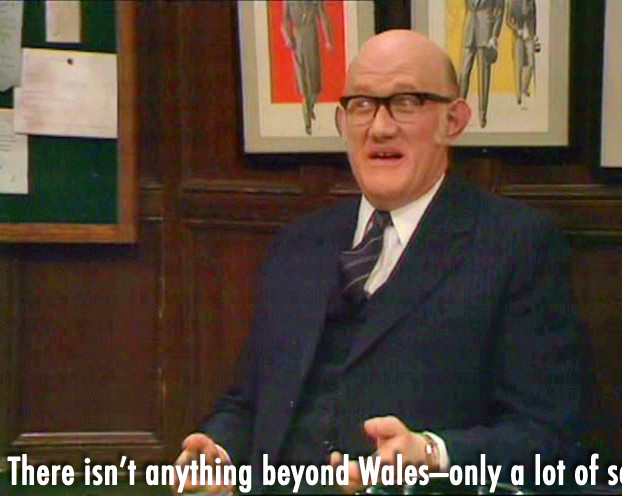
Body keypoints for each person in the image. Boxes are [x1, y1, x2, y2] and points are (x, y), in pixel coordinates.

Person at [174, 29, 584, 494]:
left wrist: (433, 454)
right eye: (362, 105)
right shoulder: (298, 243)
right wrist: (218, 451)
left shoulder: (515, 244)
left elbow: (548, 435)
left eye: (406, 102)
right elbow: (248, 402)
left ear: (453, 121)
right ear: (342, 121)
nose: (380, 127)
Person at [281, 0, 333, 135]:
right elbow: (285, 20)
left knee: (314, 82)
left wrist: (327, 40)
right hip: (297, 41)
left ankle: (310, 107)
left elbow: (323, 17)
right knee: (303, 82)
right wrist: (287, 37)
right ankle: (307, 121)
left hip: (312, 38)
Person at [459, 0, 505, 127]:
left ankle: (482, 114)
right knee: (463, 73)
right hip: (470, 30)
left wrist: (494, 36)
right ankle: (459, 110)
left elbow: (500, 11)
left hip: (486, 33)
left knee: (483, 76)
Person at [506, 0, 541, 105]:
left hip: (529, 36)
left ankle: (524, 88)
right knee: (518, 66)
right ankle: (518, 95)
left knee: (531, 64)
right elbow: (508, 20)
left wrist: (535, 35)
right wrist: (516, 29)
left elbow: (534, 19)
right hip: (518, 37)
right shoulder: (513, 2)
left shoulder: (531, 2)